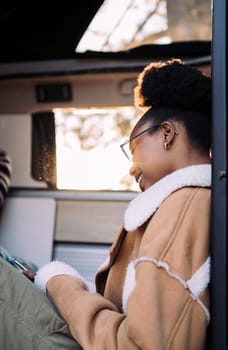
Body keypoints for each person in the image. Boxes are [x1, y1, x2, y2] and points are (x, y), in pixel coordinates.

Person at [0, 58, 211, 350]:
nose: (131, 169)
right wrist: (49, 282)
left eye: (134, 147)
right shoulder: (185, 203)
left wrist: (59, 282)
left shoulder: (184, 207)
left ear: (166, 134)